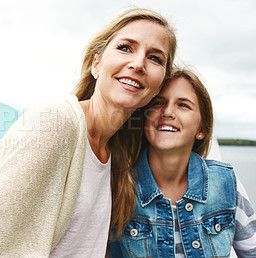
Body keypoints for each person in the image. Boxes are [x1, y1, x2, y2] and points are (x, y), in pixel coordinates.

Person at [0, 8, 177, 257]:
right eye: (125, 48)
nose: (138, 63)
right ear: (95, 64)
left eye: (155, 58)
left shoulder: (117, 152)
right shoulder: (55, 125)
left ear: (158, 86)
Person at [109, 67, 256, 257]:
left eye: (183, 105)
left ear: (201, 129)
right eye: (158, 102)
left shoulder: (226, 183)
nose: (168, 112)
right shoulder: (119, 186)